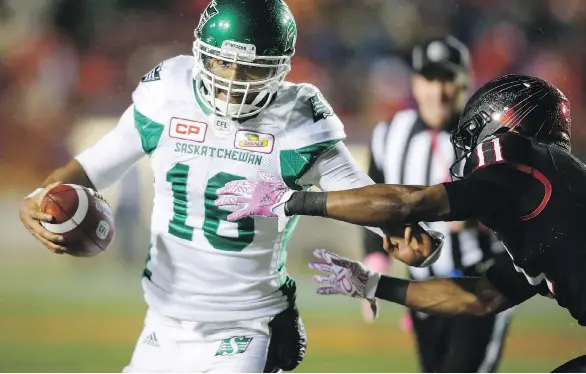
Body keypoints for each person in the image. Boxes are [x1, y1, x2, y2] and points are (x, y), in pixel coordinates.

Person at [18, 0, 443, 372]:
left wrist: (404, 237)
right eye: (223, 62)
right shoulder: (167, 93)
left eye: (253, 68)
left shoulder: (297, 119)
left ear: (280, 68)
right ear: (201, 53)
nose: (234, 80)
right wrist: (37, 201)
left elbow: (365, 199)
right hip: (162, 323)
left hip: (248, 327)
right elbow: (85, 171)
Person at [214, 73, 586, 372]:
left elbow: (411, 203)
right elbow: (479, 297)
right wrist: (374, 284)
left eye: (473, 134)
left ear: (503, 124)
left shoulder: (520, 159)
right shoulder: (550, 197)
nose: (469, 149)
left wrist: (291, 200)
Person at [362, 36, 510, 372]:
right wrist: (375, 263)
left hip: (481, 284)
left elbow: (520, 206)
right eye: (430, 79)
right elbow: (374, 202)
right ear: (415, 83)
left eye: (447, 79)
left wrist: (481, 216)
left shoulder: (492, 138)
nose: (438, 91)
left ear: (465, 82)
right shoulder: (390, 135)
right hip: (423, 291)